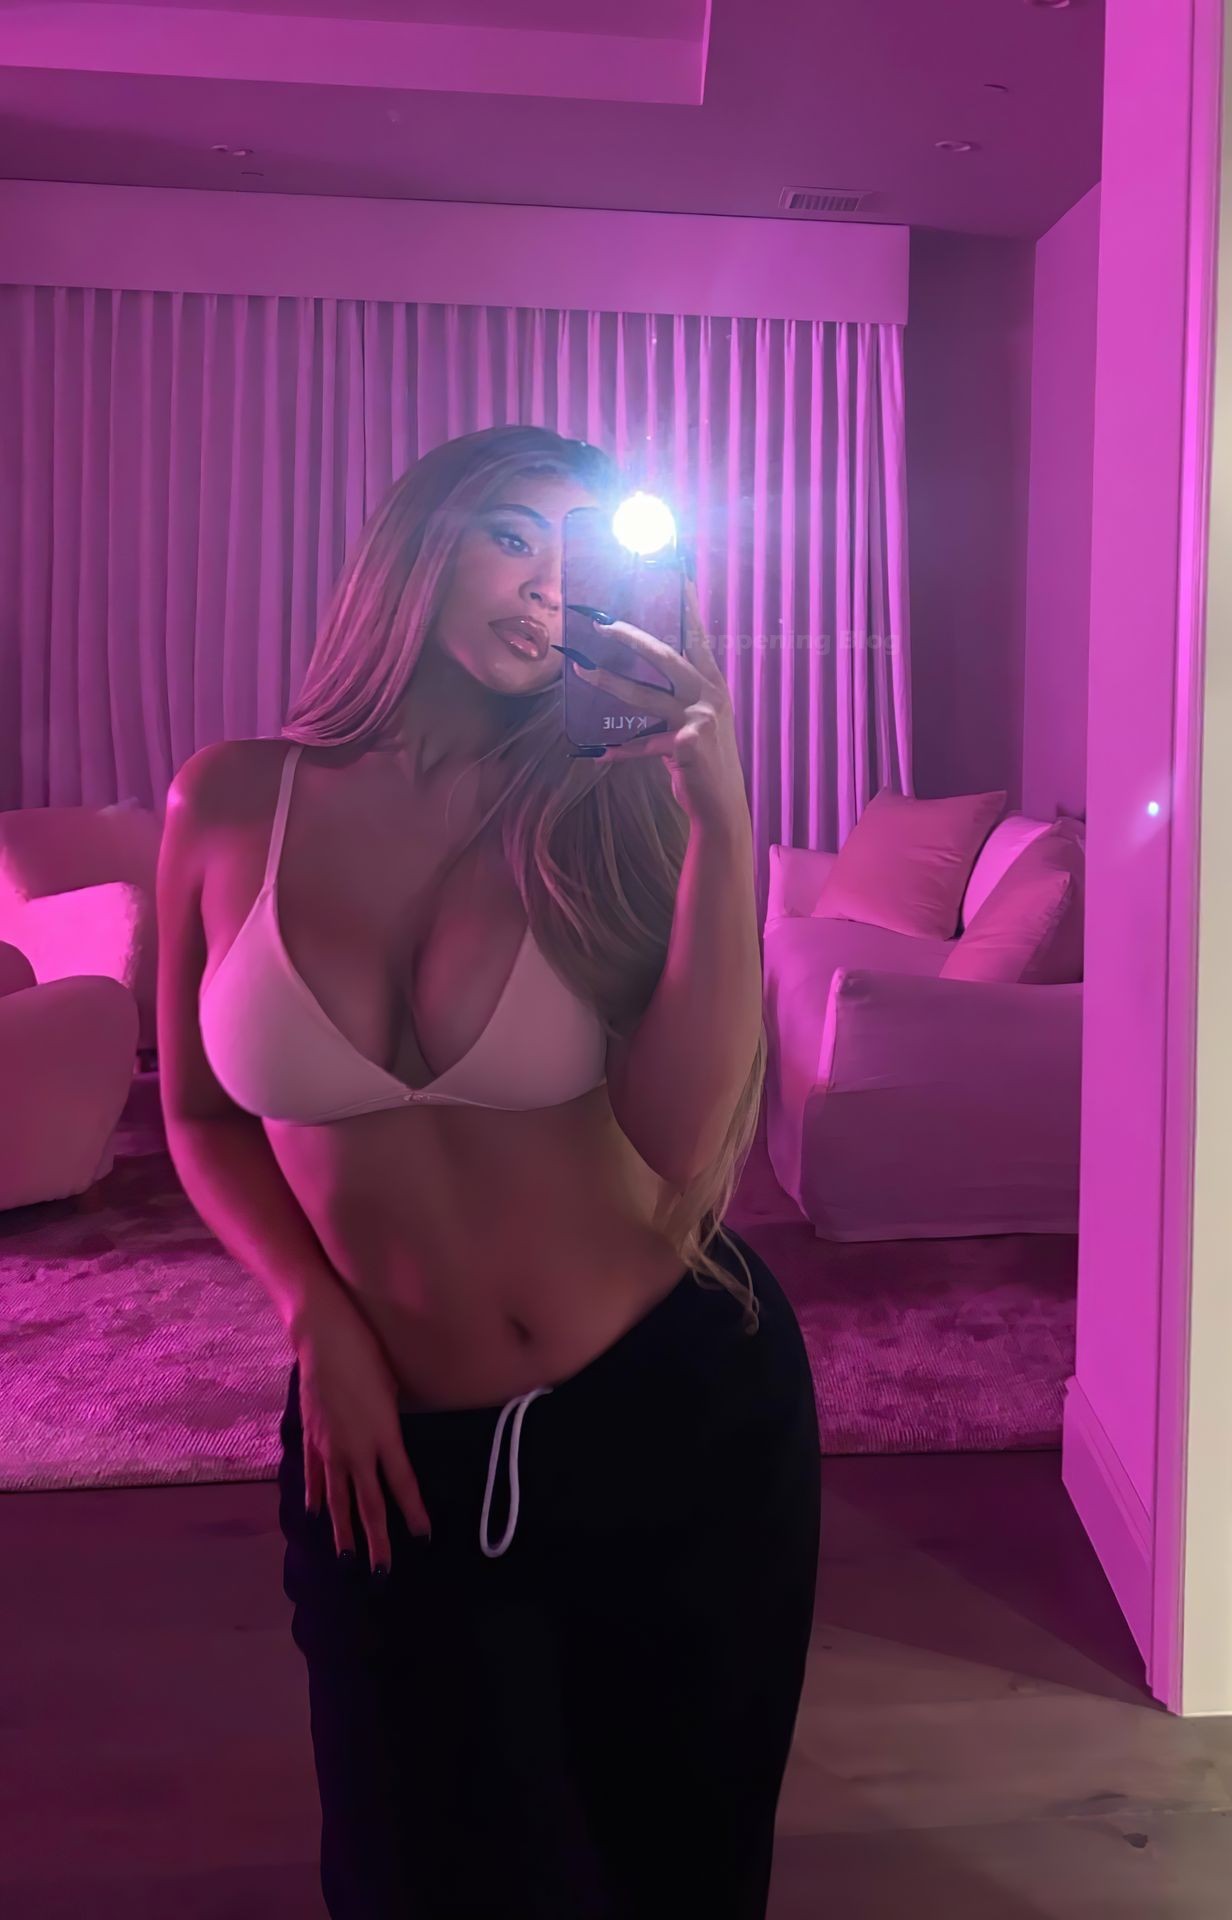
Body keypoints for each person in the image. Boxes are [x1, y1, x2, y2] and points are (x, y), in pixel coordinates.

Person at [154, 425, 822, 1919]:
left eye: (583, 560)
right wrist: (314, 1319)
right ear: (417, 547)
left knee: (676, 1875)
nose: (549, 586)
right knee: (409, 1871)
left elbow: (683, 1141)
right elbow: (198, 1115)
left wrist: (720, 817)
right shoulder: (230, 801)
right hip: (390, 1447)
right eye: (516, 536)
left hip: (674, 1408)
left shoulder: (612, 802)